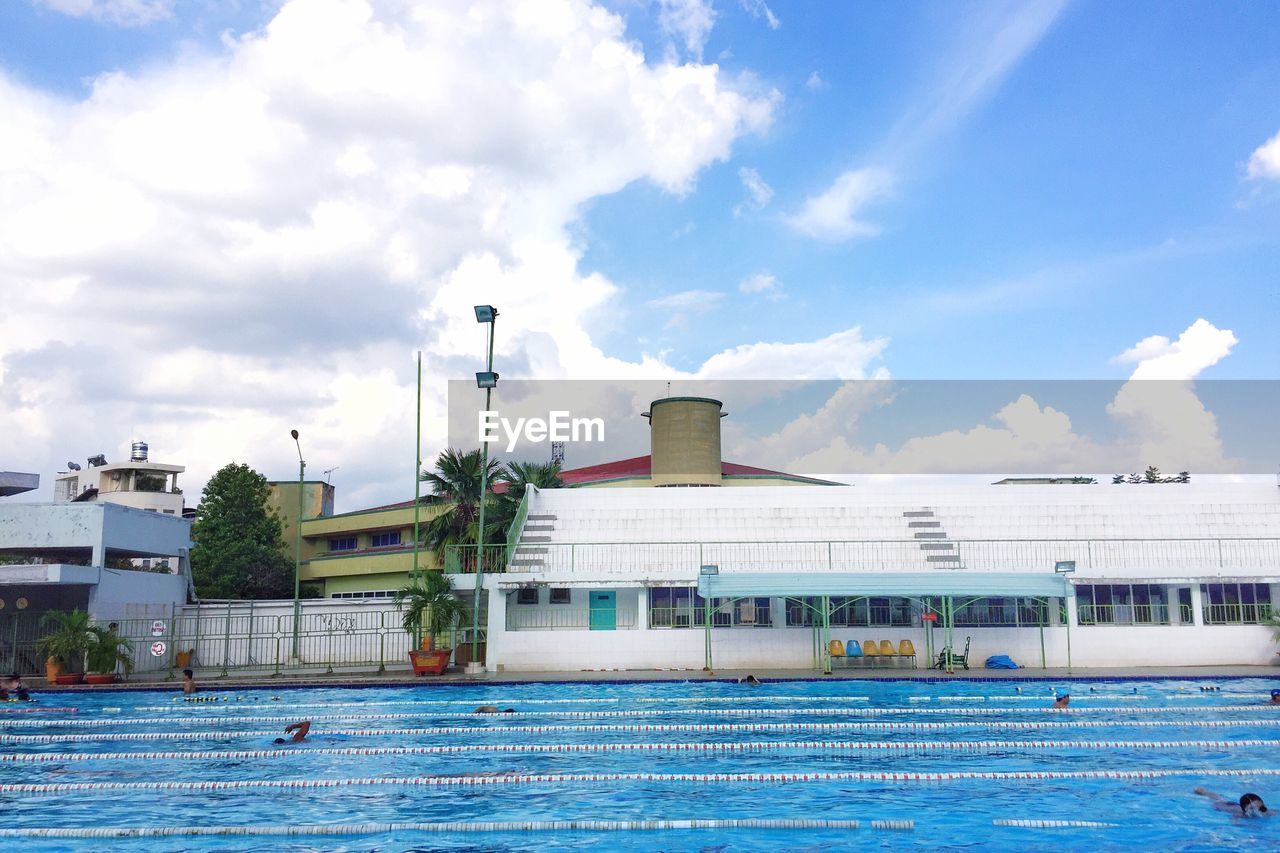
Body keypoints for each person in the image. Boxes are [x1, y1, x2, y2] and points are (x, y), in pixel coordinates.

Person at [1195, 788, 1271, 818]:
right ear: (1245, 810)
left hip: (1234, 804)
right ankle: (1202, 791)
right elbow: (1234, 823)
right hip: (1222, 806)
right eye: (1252, 809)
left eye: (1262, 808)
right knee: (1217, 799)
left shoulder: (1267, 811)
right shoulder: (1239, 815)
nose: (1259, 810)